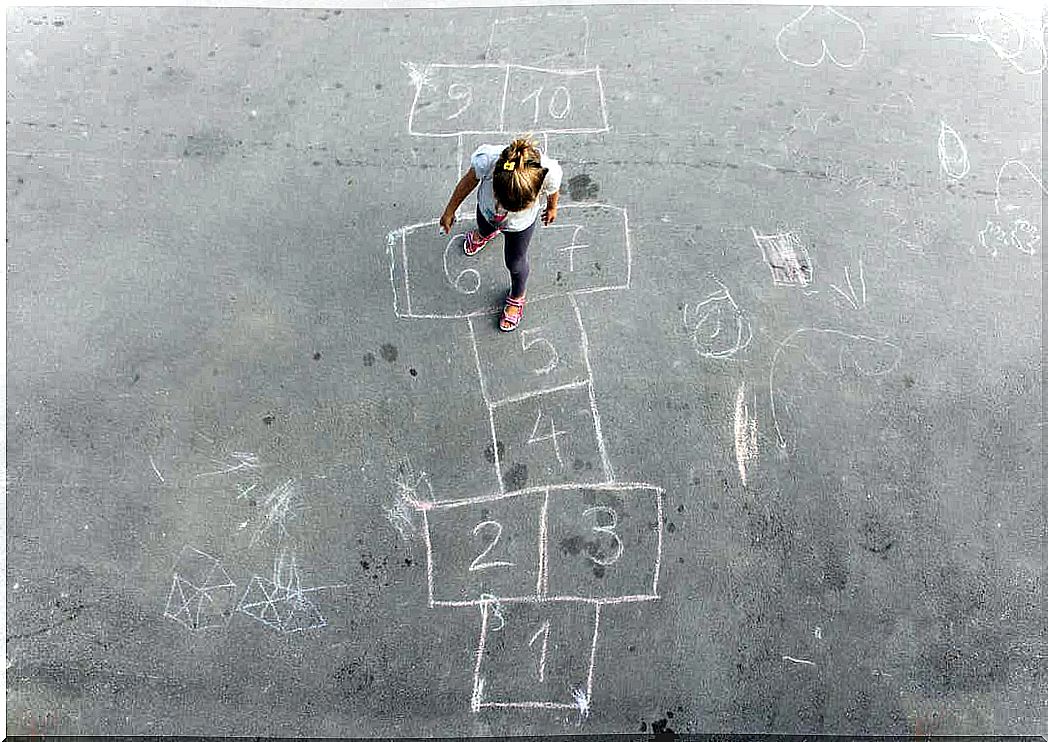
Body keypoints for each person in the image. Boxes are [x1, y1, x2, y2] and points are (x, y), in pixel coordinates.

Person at [439, 137, 561, 332]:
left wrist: (552, 207)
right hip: (487, 212)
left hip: (520, 225)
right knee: (484, 226)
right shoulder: (487, 160)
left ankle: (517, 295)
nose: (504, 209)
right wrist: (449, 211)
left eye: (513, 207)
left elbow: (553, 190)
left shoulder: (547, 172)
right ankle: (484, 234)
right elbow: (467, 183)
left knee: (515, 261)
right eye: (502, 202)